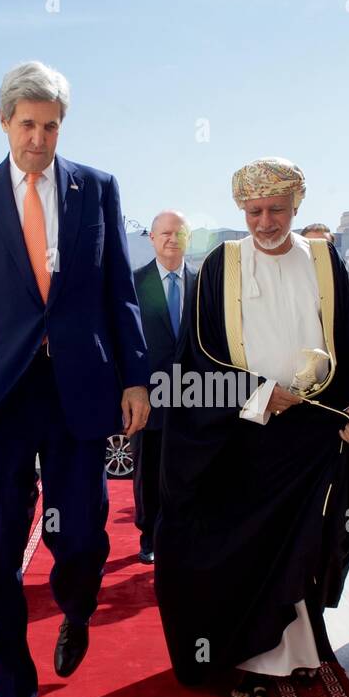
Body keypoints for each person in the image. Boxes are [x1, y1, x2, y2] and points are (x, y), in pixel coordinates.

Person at [0, 62, 150, 697]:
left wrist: (136, 377)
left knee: (80, 532)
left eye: (51, 125)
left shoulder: (98, 189)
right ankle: (11, 693)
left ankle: (78, 607)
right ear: (4, 123)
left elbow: (120, 290)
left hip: (79, 389)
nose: (40, 138)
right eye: (28, 124)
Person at [155, 158, 349, 697]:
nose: (265, 221)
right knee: (250, 549)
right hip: (242, 436)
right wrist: (257, 393)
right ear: (242, 210)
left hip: (312, 432)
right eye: (255, 211)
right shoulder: (221, 264)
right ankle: (255, 660)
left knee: (302, 546)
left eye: (276, 210)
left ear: (296, 207)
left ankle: (299, 652)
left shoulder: (327, 262)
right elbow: (197, 357)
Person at [131, 210, 195, 564]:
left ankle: (184, 533)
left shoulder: (203, 284)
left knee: (188, 467)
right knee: (149, 467)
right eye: (165, 233)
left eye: (179, 233)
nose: (172, 239)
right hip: (148, 393)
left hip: (195, 393)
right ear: (153, 239)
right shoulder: (133, 284)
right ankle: (149, 536)